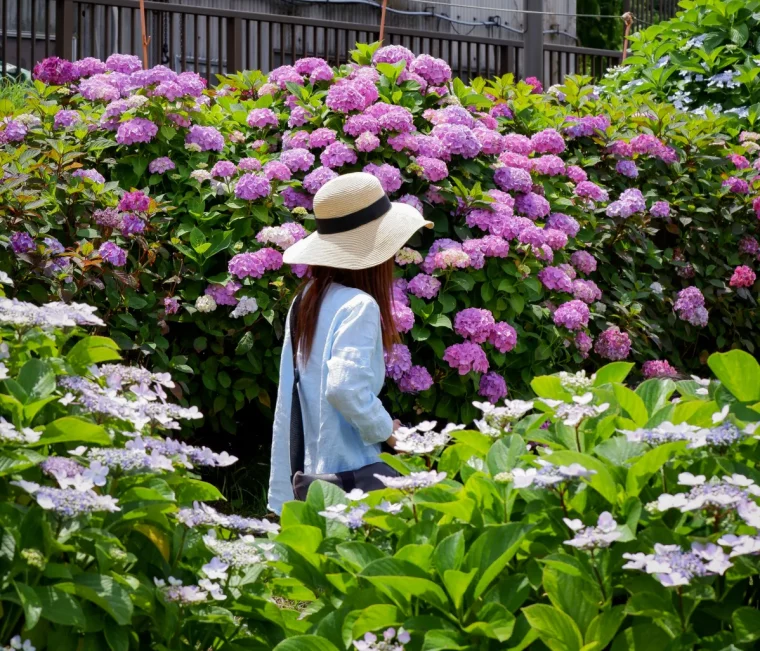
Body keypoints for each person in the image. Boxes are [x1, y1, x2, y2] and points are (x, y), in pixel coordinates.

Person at [267, 172, 432, 514]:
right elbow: (344, 388)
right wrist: (390, 432)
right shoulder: (359, 306)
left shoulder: (308, 298)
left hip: (310, 467)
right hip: (349, 471)